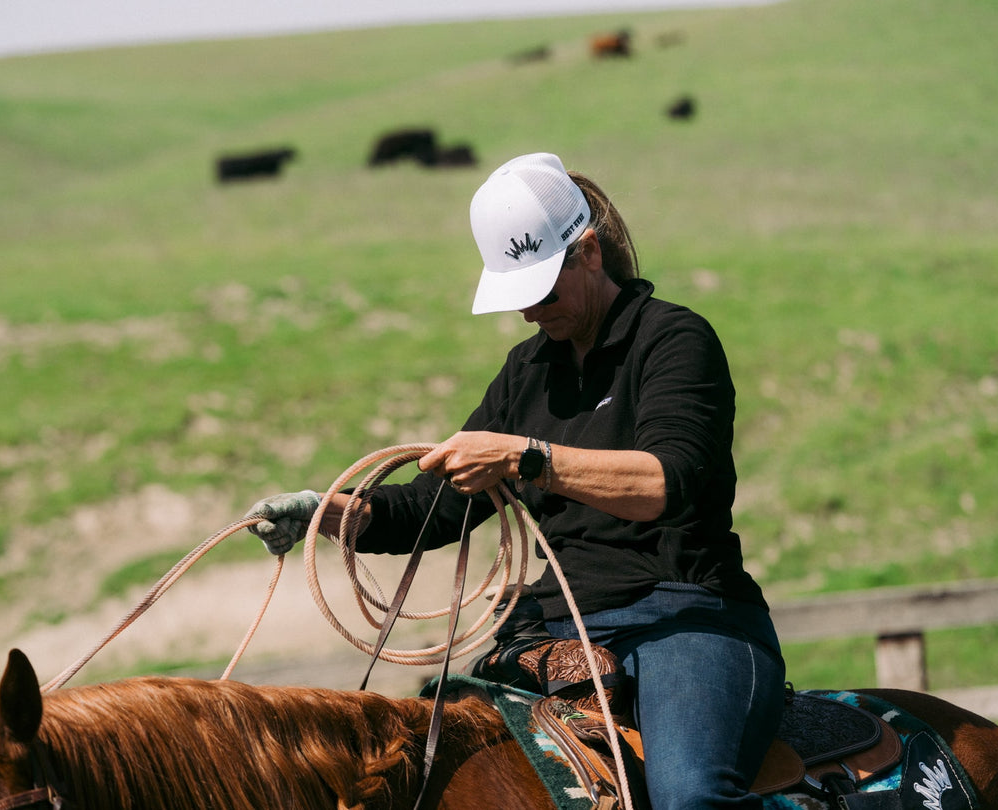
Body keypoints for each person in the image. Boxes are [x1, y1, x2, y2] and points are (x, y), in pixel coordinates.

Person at [245, 152, 786, 809]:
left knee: (690, 796)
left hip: (686, 619)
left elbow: (666, 482)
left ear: (588, 252)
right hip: (549, 630)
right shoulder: (526, 371)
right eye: (518, 296)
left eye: (543, 292)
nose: (530, 312)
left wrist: (528, 458)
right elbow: (434, 508)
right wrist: (329, 513)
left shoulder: (674, 340)